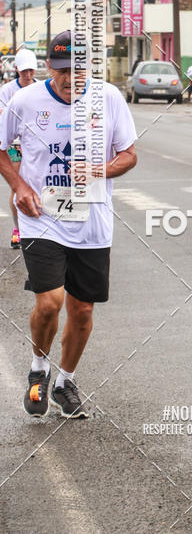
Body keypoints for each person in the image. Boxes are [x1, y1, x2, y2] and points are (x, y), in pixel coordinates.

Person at [0, 31, 137, 419]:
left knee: (83, 310)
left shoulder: (108, 98)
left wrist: (100, 170)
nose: (68, 79)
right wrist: (19, 185)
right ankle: (38, 369)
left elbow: (128, 155)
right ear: (49, 67)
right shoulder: (25, 101)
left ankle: (65, 382)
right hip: (41, 220)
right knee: (50, 303)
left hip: (92, 222)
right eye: (61, 70)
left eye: (76, 70)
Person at [0, 48, 38, 249]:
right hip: (15, 145)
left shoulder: (41, 88)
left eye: (31, 70)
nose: (28, 75)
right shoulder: (7, 91)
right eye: (24, 71)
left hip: (35, 143)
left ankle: (39, 226)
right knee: (18, 187)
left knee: (37, 184)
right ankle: (18, 229)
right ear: (16, 69)